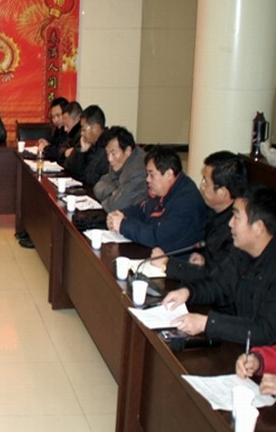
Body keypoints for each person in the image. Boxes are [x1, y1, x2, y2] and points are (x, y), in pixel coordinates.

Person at [162, 184, 276, 346]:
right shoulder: (241, 252)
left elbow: (265, 331)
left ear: (258, 227)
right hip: (238, 344)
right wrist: (188, 292)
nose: (230, 223)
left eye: (236, 217)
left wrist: (207, 324)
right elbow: (217, 285)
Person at [150, 151, 247, 282]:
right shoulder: (211, 211)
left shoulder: (236, 229)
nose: (201, 186)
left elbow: (216, 277)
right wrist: (203, 258)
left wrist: (166, 264)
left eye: (206, 182)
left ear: (223, 192)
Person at [107, 145, 206, 253]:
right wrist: (120, 215)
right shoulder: (162, 189)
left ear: (169, 174)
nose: (147, 179)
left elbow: (159, 238)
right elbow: (142, 210)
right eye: (147, 174)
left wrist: (123, 225)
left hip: (176, 258)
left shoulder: (186, 202)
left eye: (152, 174)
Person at [93, 126, 147, 212]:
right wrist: (114, 190)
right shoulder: (121, 163)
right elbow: (98, 186)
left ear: (128, 151)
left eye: (113, 153)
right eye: (108, 153)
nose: (109, 159)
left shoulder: (138, 171)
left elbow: (115, 206)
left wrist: (107, 199)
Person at [63, 105, 109, 188]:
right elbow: (68, 166)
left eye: (84, 129)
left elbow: (90, 179)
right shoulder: (86, 142)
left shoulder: (107, 147)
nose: (82, 133)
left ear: (96, 127)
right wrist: (81, 152)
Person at [37, 97, 69, 162]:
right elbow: (55, 144)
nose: (55, 120)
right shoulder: (58, 128)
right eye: (53, 117)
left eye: (58, 115)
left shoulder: (69, 129)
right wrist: (47, 144)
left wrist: (45, 148)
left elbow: (59, 151)